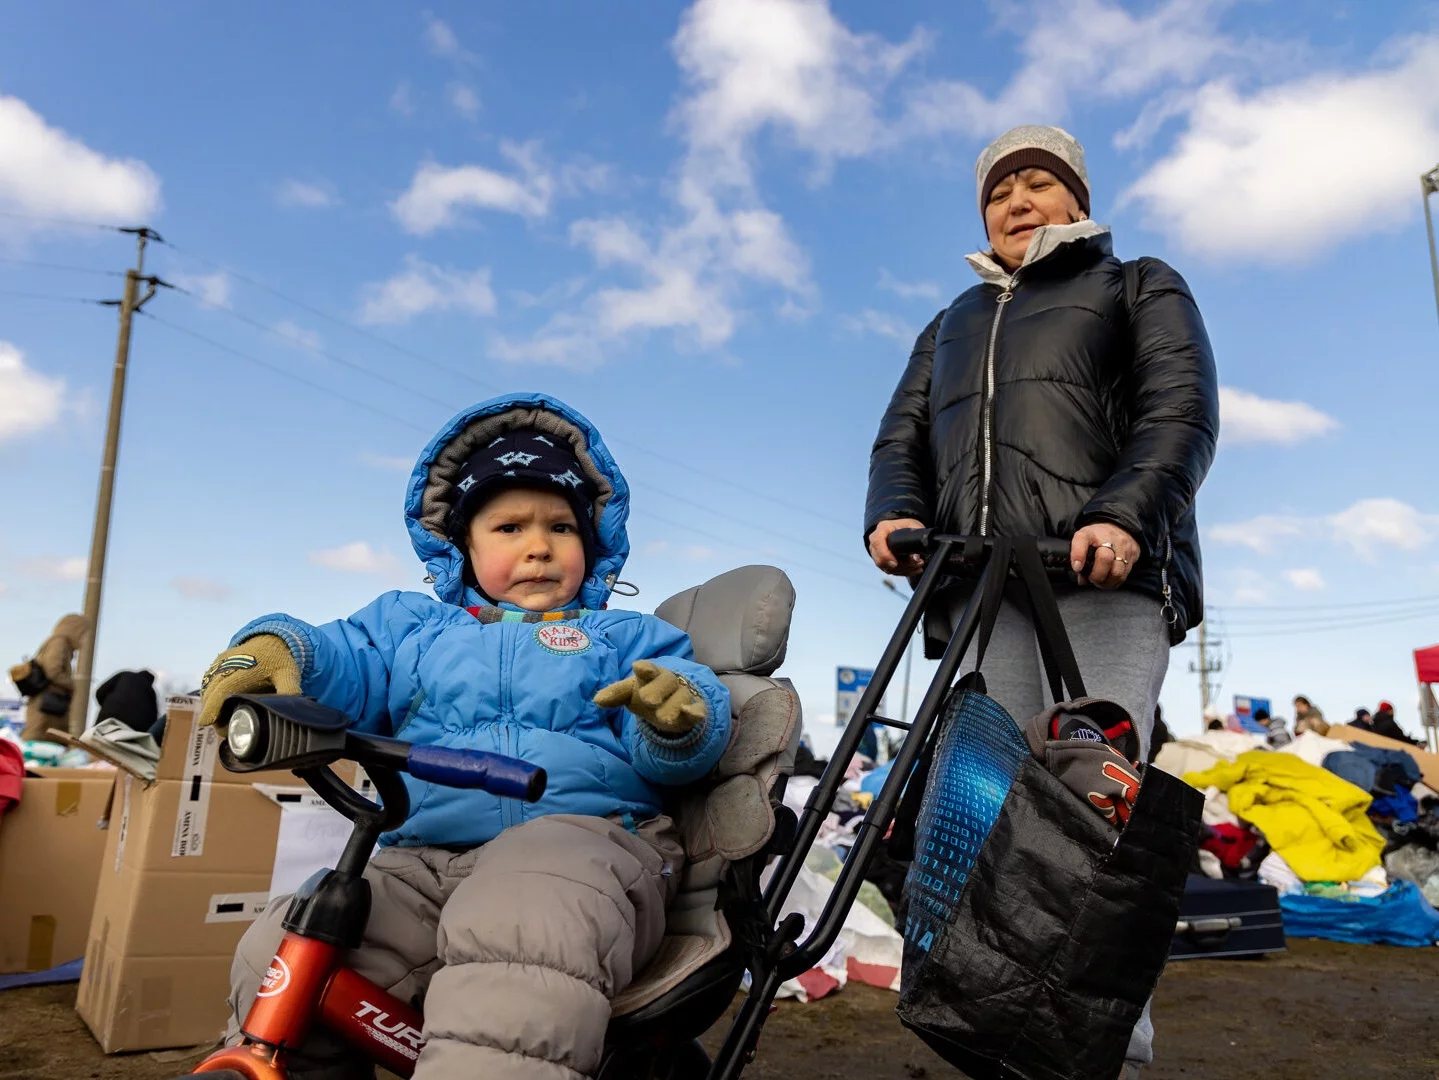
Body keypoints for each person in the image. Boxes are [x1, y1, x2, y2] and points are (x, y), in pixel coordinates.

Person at [198, 394, 731, 1080]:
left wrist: (676, 717)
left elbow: (675, 718)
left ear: (590, 545)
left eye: (561, 527)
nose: (538, 545)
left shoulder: (623, 636)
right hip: (419, 859)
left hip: (583, 845)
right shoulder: (409, 628)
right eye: (508, 527)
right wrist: (282, 648)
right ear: (462, 548)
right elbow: (343, 659)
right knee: (284, 946)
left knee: (518, 932)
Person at [864, 124, 1219, 1078]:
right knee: (972, 817)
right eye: (998, 192)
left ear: (1077, 199)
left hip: (1098, 579)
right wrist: (891, 514)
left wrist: (1123, 514)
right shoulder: (950, 321)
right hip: (980, 587)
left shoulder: (1136, 283)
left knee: (1085, 822)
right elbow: (900, 438)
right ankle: (981, 1042)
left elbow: (1177, 411)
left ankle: (1104, 1058)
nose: (1016, 203)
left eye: (1037, 184)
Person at [8, 613, 89, 742]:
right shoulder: (59, 641)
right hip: (47, 703)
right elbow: (53, 671)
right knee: (39, 738)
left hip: (51, 703)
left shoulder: (62, 643)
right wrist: (71, 684)